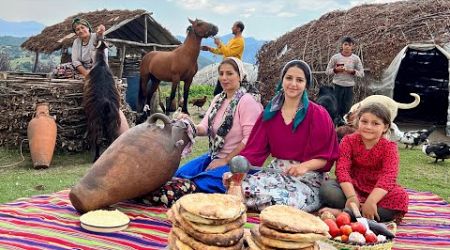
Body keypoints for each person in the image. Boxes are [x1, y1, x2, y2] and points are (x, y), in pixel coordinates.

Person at [231, 60, 339, 212]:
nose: (293, 84)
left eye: (299, 80)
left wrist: (304, 166)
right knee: (240, 188)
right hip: (277, 172)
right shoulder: (270, 114)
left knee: (283, 203)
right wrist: (237, 173)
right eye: (289, 78)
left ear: (306, 85)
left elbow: (326, 157)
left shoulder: (318, 115)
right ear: (282, 80)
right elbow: (254, 152)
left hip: (308, 177)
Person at [174, 57, 263, 194]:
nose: (224, 78)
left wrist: (226, 160)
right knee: (178, 176)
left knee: (198, 184)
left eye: (229, 73)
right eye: (221, 74)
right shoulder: (218, 99)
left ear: (240, 76)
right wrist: (189, 124)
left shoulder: (247, 101)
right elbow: (204, 128)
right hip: (215, 155)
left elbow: (249, 139)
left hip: (237, 163)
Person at [319, 103, 409, 222]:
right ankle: (359, 212)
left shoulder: (389, 147)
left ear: (385, 127)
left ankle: (345, 213)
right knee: (327, 189)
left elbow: (388, 177)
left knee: (400, 197)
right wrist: (351, 196)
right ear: (358, 122)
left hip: (377, 191)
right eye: (364, 121)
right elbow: (342, 170)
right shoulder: (348, 141)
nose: (368, 127)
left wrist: (371, 201)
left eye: (375, 123)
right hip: (352, 186)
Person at [71, 17, 129, 134]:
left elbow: (100, 40)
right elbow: (75, 61)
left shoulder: (94, 37)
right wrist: (86, 73)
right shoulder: (77, 42)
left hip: (98, 69)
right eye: (77, 29)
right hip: (83, 70)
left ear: (88, 28)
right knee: (61, 69)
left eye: (82, 27)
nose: (80, 30)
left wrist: (101, 33)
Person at [201, 21, 245, 95]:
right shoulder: (233, 40)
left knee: (219, 92)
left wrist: (219, 44)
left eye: (233, 27)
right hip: (226, 68)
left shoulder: (240, 41)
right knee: (220, 92)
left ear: (238, 29)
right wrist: (210, 49)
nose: (232, 28)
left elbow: (228, 53)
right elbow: (223, 51)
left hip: (231, 69)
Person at [326, 36, 364, 120]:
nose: (347, 46)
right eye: (345, 44)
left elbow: (361, 73)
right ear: (342, 45)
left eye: (350, 45)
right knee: (336, 108)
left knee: (347, 109)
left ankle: (345, 126)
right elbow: (327, 71)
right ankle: (335, 127)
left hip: (349, 87)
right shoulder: (335, 57)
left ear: (353, 46)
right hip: (337, 86)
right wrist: (336, 70)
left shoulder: (355, 59)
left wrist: (352, 71)